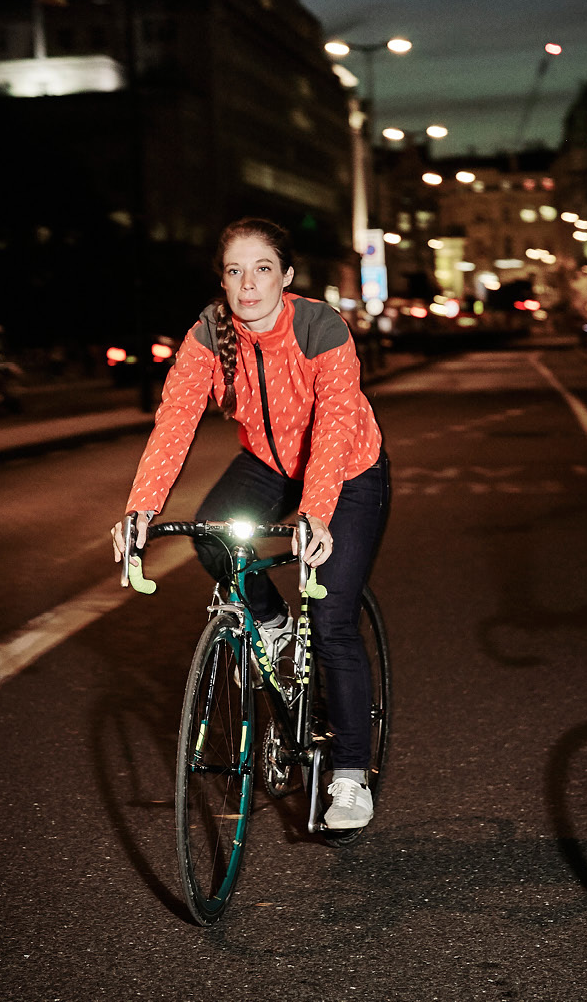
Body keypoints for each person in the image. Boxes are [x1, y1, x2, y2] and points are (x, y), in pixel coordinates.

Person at [112, 218, 391, 830]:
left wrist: (316, 515)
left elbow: (334, 426)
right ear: (222, 279)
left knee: (333, 619)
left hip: (349, 470)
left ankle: (349, 776)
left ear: (286, 276)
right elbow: (174, 422)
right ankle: (271, 622)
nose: (247, 284)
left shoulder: (321, 327)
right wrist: (141, 509)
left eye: (262, 269)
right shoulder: (208, 335)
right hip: (269, 463)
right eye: (235, 271)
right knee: (212, 536)